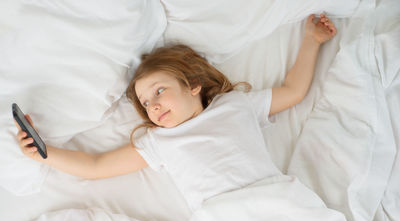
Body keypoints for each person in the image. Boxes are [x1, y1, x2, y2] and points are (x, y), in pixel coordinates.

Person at [15, 14, 336, 210]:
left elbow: (293, 91)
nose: (152, 105)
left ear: (193, 84)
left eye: (158, 91)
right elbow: (96, 166)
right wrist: (44, 154)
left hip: (270, 199)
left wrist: (312, 40)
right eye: (144, 103)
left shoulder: (235, 105)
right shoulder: (159, 142)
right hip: (226, 217)